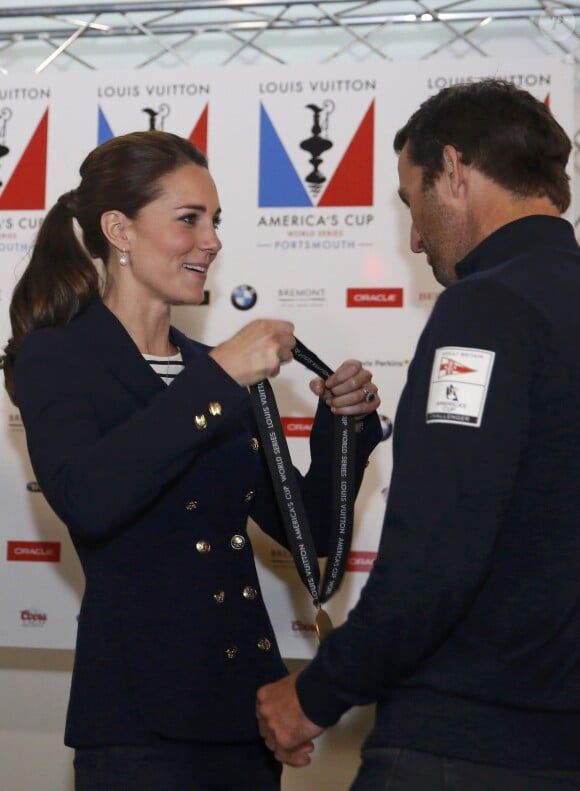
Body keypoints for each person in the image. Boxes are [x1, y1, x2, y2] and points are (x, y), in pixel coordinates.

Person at [1, 130, 382, 791]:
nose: (211, 240)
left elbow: (310, 535)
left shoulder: (212, 370)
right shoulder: (57, 357)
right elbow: (88, 500)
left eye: (216, 220)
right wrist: (220, 380)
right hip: (137, 731)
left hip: (246, 715)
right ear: (119, 229)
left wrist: (340, 429)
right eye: (189, 219)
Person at [256, 79, 580, 789]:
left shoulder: (484, 308)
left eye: (413, 201)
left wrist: (317, 693)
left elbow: (439, 547)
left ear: (456, 171)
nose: (413, 236)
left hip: (466, 744)